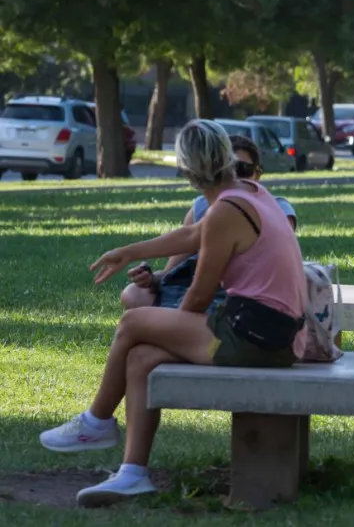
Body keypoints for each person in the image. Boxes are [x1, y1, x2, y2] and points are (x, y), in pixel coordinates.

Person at [39, 119, 308, 507]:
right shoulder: (249, 192)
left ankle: (96, 421)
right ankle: (133, 473)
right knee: (141, 356)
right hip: (271, 334)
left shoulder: (227, 210)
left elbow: (198, 296)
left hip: (258, 338)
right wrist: (128, 252)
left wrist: (172, 325)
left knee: (133, 322)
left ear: (187, 170)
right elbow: (192, 235)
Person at [120, 134, 297, 313]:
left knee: (133, 323)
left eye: (242, 169)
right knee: (133, 294)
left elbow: (202, 292)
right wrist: (151, 278)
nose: (234, 177)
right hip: (199, 288)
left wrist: (179, 316)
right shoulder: (202, 206)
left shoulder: (277, 208)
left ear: (257, 174)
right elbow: (173, 267)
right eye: (229, 169)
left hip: (243, 300)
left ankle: (169, 321)